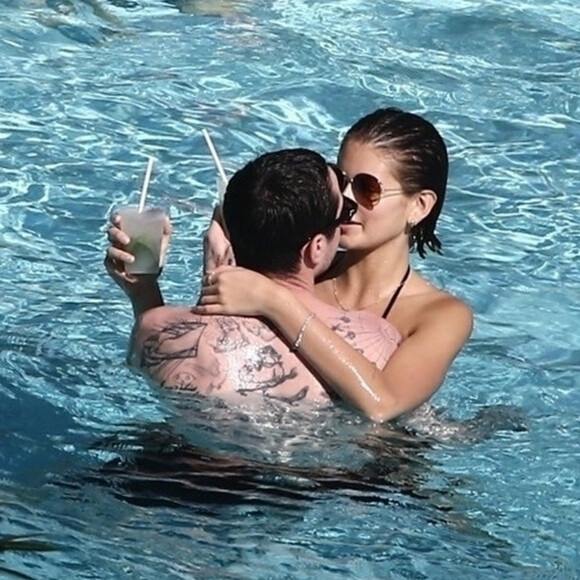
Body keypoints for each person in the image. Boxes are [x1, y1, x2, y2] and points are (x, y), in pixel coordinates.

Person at [195, 107, 474, 422]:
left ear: (419, 206)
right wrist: (147, 287)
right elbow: (205, 360)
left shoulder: (440, 315)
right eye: (341, 180)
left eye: (367, 188)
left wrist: (275, 302)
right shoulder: (298, 266)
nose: (346, 200)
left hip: (374, 467)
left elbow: (383, 404)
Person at [105, 148, 402, 405]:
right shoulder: (376, 340)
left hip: (160, 469)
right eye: (346, 212)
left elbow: (182, 376)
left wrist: (143, 291)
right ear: (316, 248)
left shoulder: (153, 327)